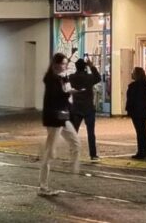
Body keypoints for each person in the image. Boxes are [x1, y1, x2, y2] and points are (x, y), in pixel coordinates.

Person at [39, 52, 81, 196]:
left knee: (75, 142)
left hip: (62, 116)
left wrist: (68, 89)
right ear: (56, 64)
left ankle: (73, 170)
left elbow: (62, 95)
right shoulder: (51, 79)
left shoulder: (59, 78)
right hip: (53, 118)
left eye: (65, 63)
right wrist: (70, 93)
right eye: (63, 63)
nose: (65, 66)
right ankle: (43, 187)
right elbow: (56, 96)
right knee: (50, 153)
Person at [70, 54, 101, 161]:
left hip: (77, 108)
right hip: (88, 108)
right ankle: (93, 154)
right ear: (84, 67)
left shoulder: (72, 77)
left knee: (74, 132)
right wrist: (91, 66)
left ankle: (73, 153)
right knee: (91, 133)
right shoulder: (89, 77)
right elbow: (98, 78)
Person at [125, 66, 146, 159]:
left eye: (133, 72)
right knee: (143, 130)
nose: (131, 74)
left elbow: (130, 99)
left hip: (135, 111)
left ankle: (141, 151)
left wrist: (128, 109)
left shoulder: (133, 86)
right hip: (144, 110)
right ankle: (145, 151)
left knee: (139, 131)